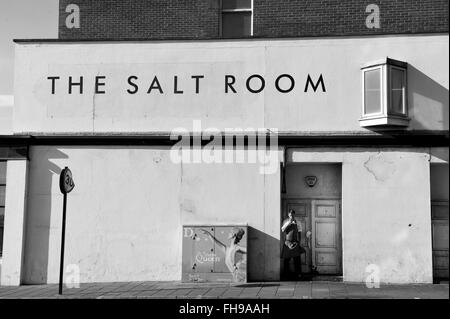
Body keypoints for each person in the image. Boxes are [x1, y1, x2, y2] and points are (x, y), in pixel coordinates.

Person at [281, 209, 303, 280]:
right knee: (286, 260)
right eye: (290, 215)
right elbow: (283, 230)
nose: (291, 216)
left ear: (294, 215)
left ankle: (298, 274)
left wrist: (299, 242)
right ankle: (286, 274)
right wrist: (289, 223)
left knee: (297, 259)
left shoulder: (298, 222)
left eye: (293, 215)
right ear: (288, 215)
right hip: (287, 242)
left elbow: (299, 232)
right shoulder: (285, 221)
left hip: (295, 242)